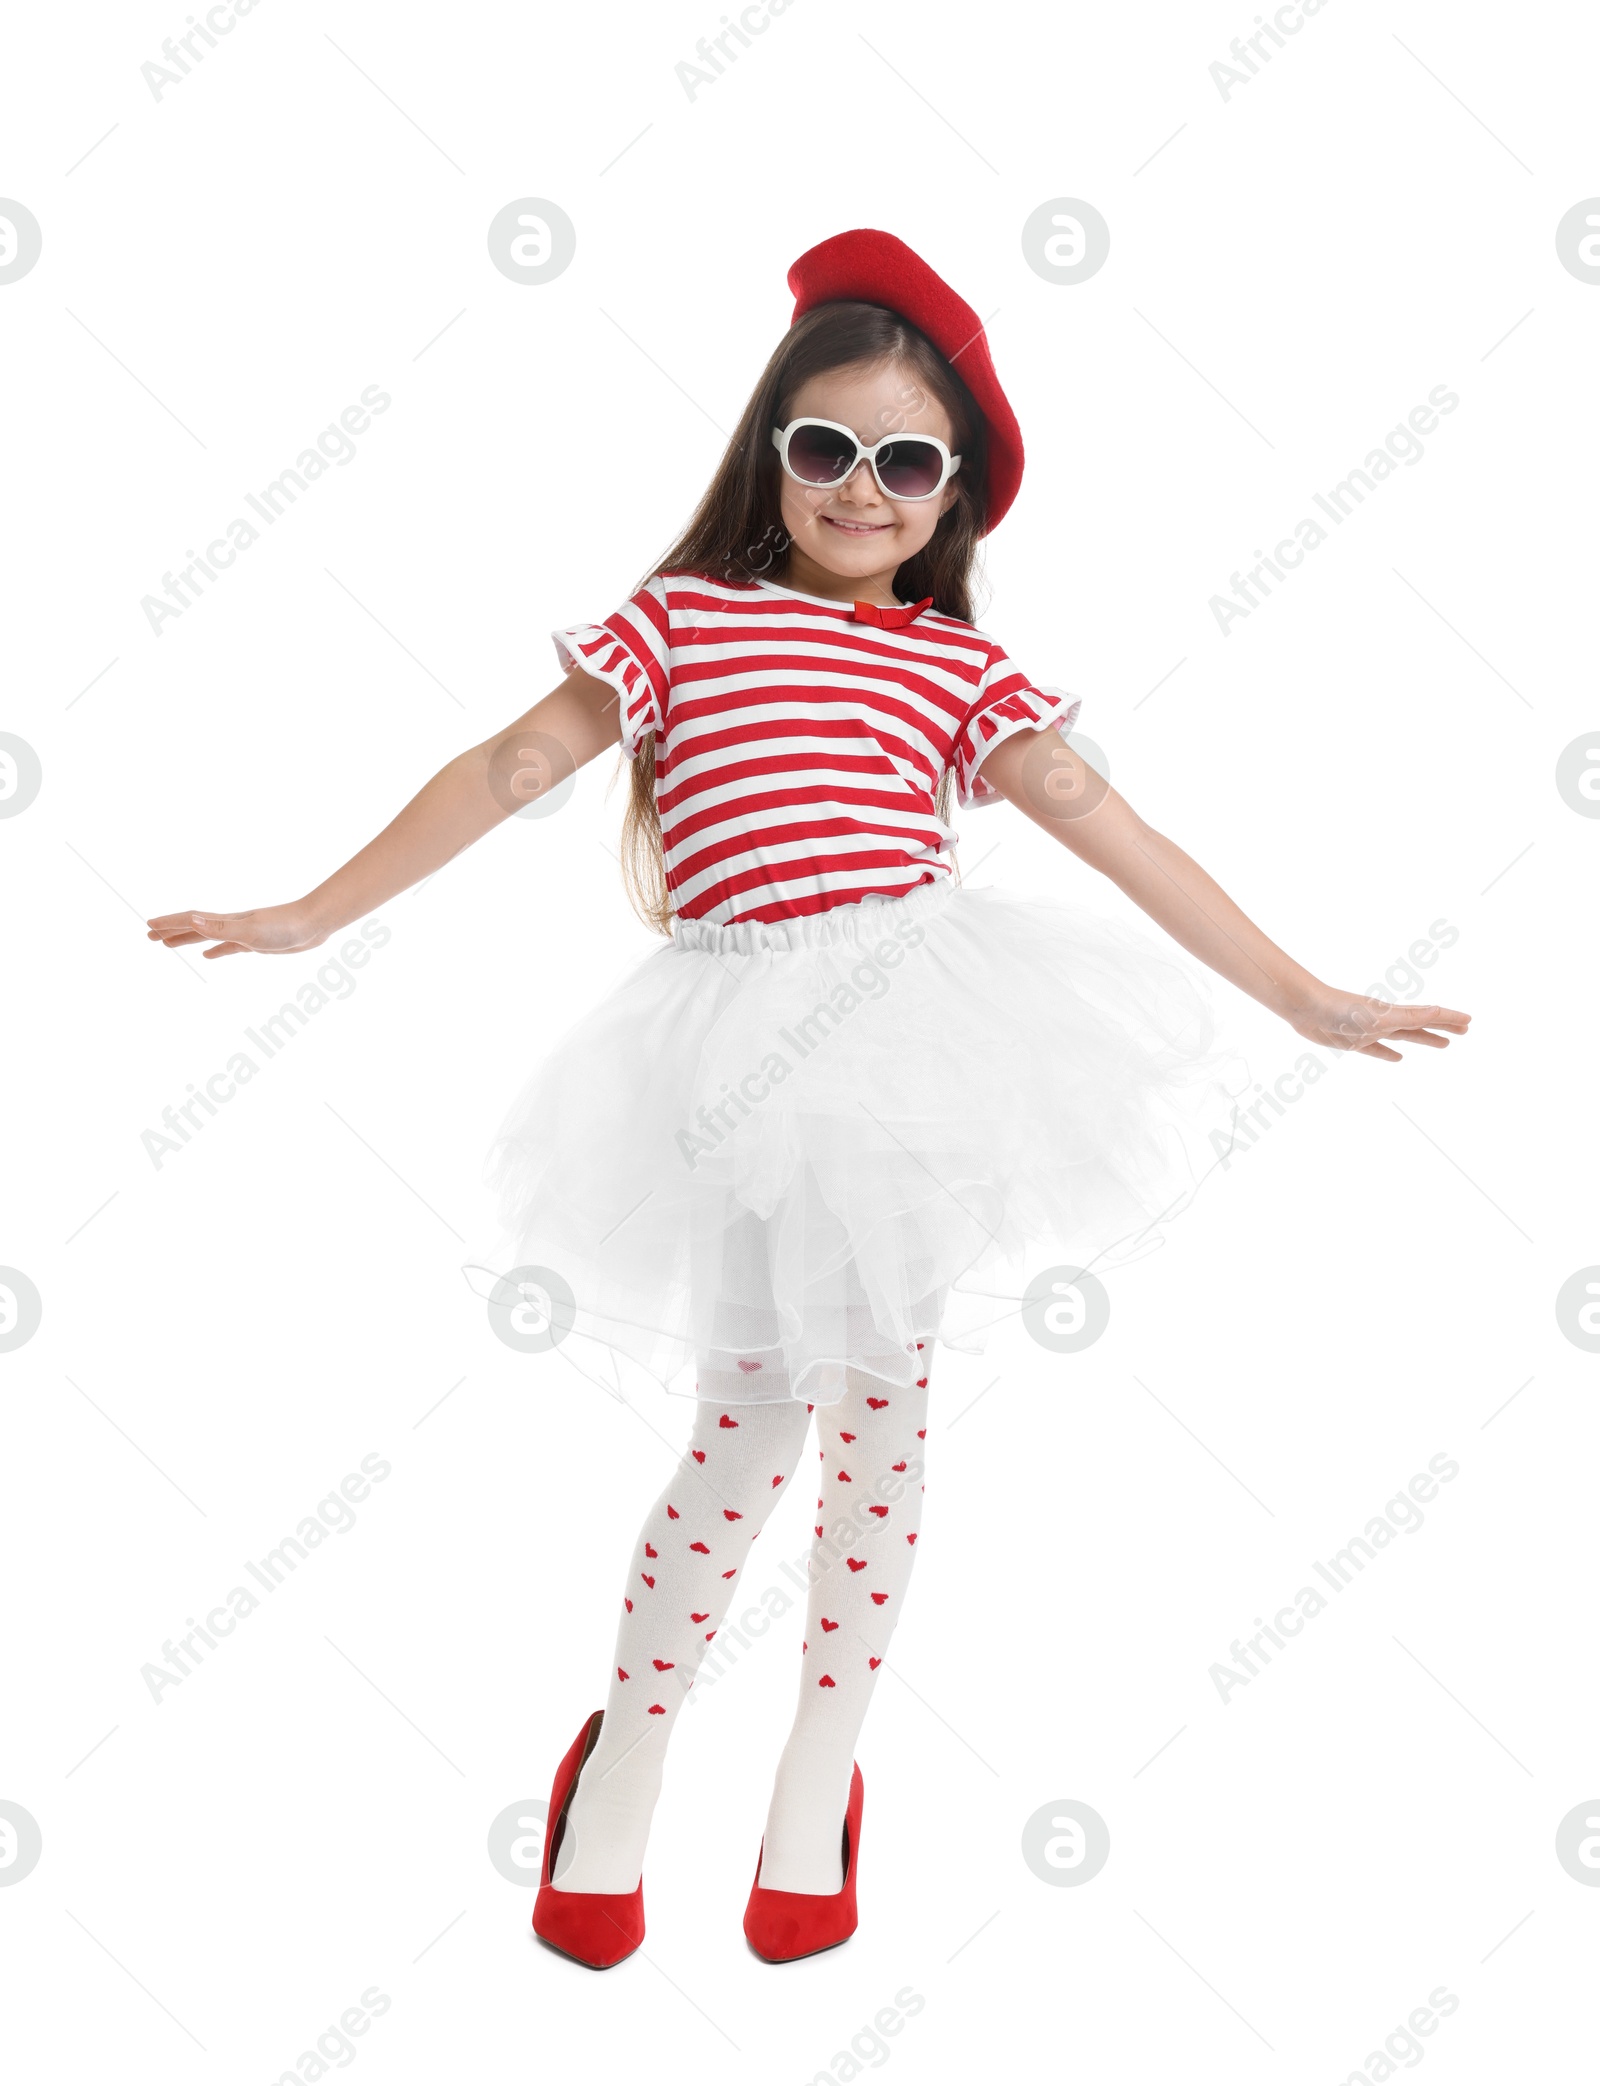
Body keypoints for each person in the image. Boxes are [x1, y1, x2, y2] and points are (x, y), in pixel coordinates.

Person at [148, 228, 1471, 1968]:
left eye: (906, 460)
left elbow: (1120, 834)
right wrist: (315, 907)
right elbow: (511, 764)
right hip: (724, 1059)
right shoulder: (679, 621)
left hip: (912, 1045)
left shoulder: (960, 674)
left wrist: (1304, 991)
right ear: (772, 452)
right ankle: (625, 1755)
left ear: (953, 499)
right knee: (743, 1423)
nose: (863, 485)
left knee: (880, 1420)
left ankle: (816, 1777)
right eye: (827, 445)